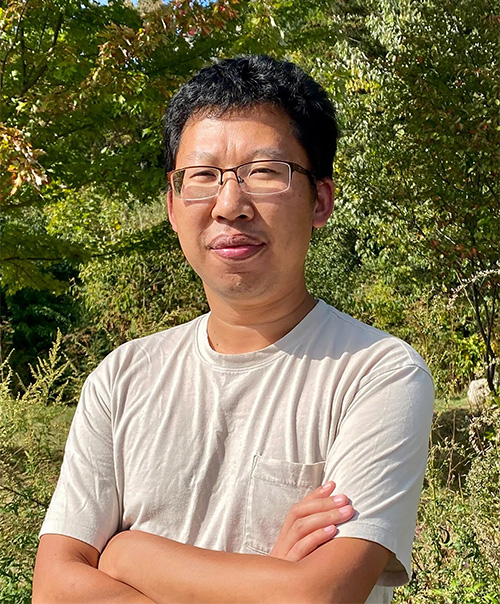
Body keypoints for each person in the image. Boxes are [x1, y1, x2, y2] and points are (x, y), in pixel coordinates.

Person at [32, 55, 434, 604]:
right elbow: (55, 586)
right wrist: (264, 578)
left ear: (319, 200)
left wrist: (131, 554)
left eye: (265, 173)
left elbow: (317, 595)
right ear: (173, 206)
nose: (229, 205)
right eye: (202, 177)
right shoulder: (122, 378)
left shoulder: (377, 374)